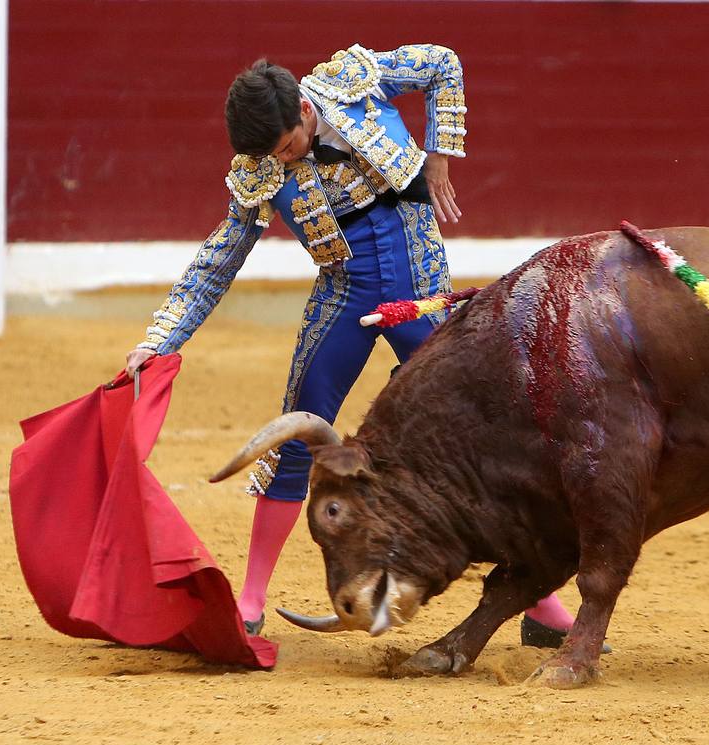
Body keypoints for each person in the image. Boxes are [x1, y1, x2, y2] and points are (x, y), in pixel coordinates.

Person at [123, 43, 581, 647]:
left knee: (473, 445)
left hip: (419, 293)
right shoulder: (261, 168)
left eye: (288, 146)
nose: (285, 161)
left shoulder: (354, 82)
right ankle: (252, 598)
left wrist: (440, 161)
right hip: (345, 297)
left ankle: (540, 604)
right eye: (273, 156)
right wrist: (159, 339)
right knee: (297, 431)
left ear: (305, 112)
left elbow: (443, 64)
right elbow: (218, 261)